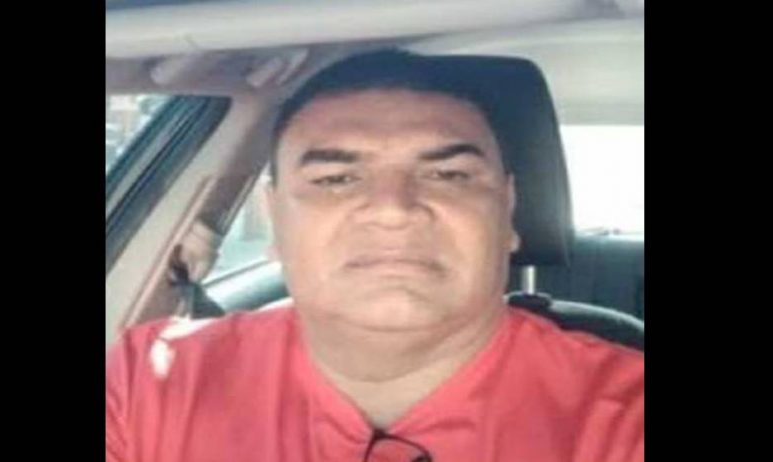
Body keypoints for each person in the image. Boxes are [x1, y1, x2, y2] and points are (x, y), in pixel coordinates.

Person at [106, 50, 644, 462]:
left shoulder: (624, 415)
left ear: (508, 214)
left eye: (449, 174)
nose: (393, 209)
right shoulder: (146, 382)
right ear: (276, 221)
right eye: (335, 179)